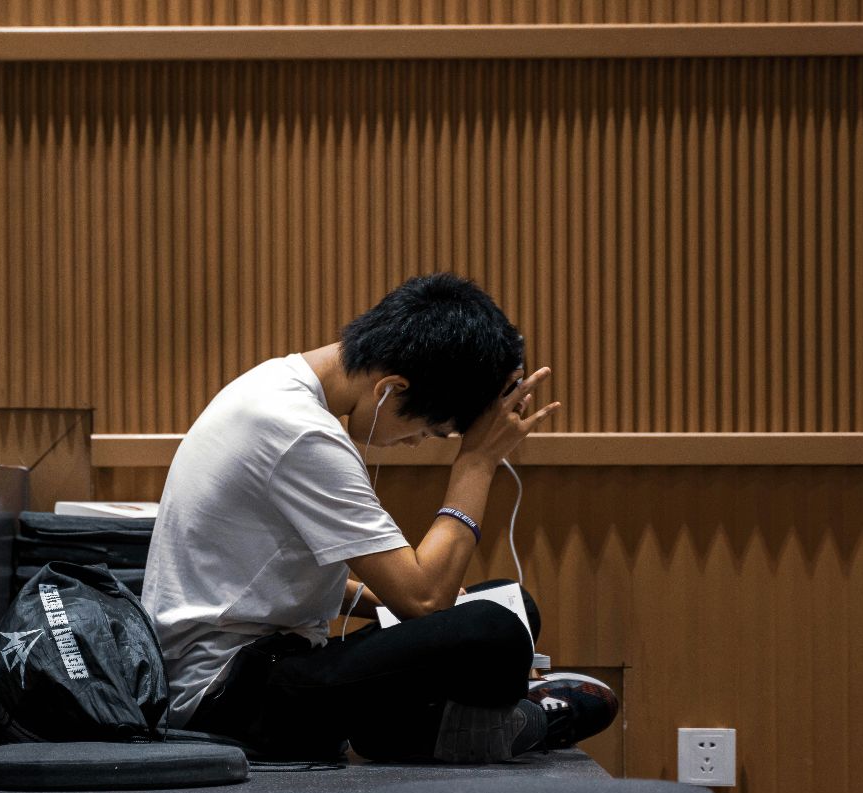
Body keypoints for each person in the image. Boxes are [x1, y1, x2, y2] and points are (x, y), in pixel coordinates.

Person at [141, 273, 618, 763]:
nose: (416, 443)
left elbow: (266, 576)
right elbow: (424, 598)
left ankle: (417, 730)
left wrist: (396, 608)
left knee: (513, 603)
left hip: (262, 667)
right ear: (392, 388)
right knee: (493, 630)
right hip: (226, 701)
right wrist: (476, 463)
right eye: (431, 429)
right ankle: (488, 727)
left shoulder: (274, 386)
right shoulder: (300, 433)